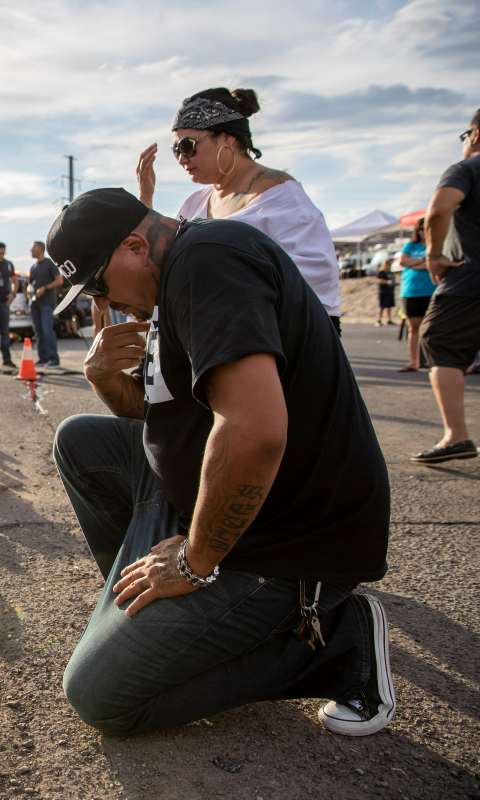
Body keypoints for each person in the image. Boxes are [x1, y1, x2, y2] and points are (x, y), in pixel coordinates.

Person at [48, 188, 392, 738]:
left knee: (100, 696)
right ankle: (159, 624)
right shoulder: (173, 279)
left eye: (96, 284)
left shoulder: (212, 262)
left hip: (284, 542)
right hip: (209, 503)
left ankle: (340, 641)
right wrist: (106, 381)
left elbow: (253, 433)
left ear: (136, 246)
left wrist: (193, 560)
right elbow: (158, 417)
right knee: (80, 441)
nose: (102, 302)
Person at [136, 88, 343, 330]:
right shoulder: (194, 204)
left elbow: (316, 277)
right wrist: (145, 201)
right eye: (176, 151)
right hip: (220, 339)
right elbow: (162, 265)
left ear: (228, 139)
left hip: (281, 342)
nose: (182, 158)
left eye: (187, 145)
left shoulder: (281, 197)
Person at [412, 109, 480, 464]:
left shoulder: (467, 168)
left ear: (476, 134)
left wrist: (434, 254)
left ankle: (456, 436)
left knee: (440, 341)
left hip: (469, 281)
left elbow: (439, 210)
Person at [397, 221, 433, 371]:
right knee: (413, 328)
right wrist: (423, 262)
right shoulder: (410, 246)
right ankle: (414, 362)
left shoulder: (437, 244)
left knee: (432, 329)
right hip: (410, 292)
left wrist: (413, 264)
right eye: (420, 229)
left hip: (432, 291)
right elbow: (403, 261)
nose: (423, 231)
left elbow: (434, 264)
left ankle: (433, 362)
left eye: (426, 228)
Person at [27, 241, 63, 367]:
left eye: (33, 248)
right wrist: (29, 292)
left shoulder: (49, 264)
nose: (31, 250)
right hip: (34, 304)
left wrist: (45, 288)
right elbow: (30, 284)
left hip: (47, 304)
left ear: (40, 249)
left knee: (47, 330)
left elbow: (59, 281)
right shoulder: (33, 267)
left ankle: (54, 360)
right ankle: (43, 359)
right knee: (38, 332)